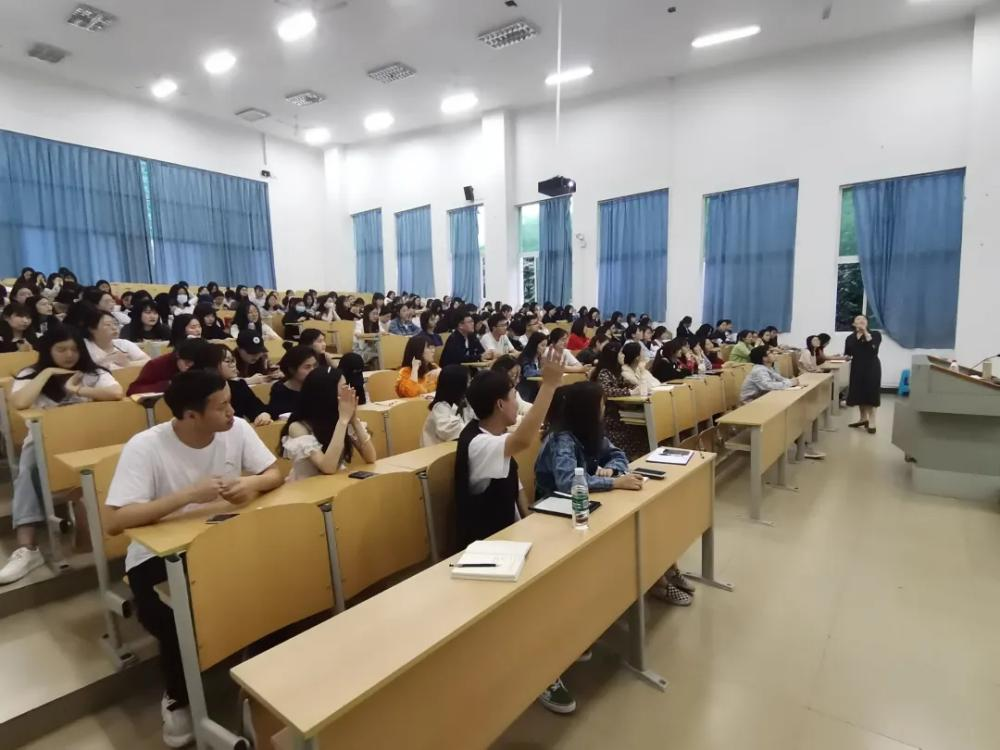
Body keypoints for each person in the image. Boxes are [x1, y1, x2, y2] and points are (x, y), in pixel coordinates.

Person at [104, 370, 282, 747]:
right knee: (175, 616)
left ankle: (260, 688)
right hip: (158, 555)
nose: (232, 412)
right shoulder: (146, 446)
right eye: (222, 406)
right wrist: (187, 496)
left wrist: (248, 484)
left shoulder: (236, 429)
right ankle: (178, 695)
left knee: (279, 582)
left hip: (222, 542)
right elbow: (115, 522)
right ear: (190, 416)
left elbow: (273, 473)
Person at [456, 349, 576, 715]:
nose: (517, 402)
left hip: (508, 537)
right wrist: (549, 385)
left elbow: (514, 486)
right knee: (537, 597)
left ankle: (565, 641)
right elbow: (523, 442)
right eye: (513, 396)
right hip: (486, 551)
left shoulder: (494, 434)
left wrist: (529, 521)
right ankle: (539, 672)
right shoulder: (478, 443)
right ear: (499, 404)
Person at [0, 327, 124, 585]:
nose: (69, 355)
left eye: (74, 349)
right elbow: (20, 403)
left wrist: (76, 389)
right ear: (48, 351)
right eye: (61, 349)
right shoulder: (29, 374)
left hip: (86, 442)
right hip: (44, 446)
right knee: (28, 467)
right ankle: (27, 548)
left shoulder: (93, 374)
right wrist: (46, 372)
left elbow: (116, 393)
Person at [281, 368, 377, 481]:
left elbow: (371, 457)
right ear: (327, 393)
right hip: (308, 485)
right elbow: (327, 467)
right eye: (344, 387)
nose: (349, 391)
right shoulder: (298, 427)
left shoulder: (340, 416)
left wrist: (354, 419)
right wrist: (343, 421)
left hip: (334, 481)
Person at [741, 346, 826, 458]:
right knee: (789, 415)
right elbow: (768, 385)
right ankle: (801, 447)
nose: (774, 354)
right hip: (751, 405)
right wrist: (790, 383)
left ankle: (802, 446)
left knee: (793, 413)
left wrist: (793, 381)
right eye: (770, 352)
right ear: (764, 358)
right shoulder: (759, 370)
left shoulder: (768, 368)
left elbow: (780, 379)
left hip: (765, 400)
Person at [189, 343, 272, 426]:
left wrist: (264, 414)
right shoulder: (198, 391)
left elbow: (257, 408)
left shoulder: (239, 386)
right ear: (211, 365)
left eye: (233, 360)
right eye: (228, 361)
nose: (233, 365)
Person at [591, 342, 649, 459]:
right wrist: (630, 392)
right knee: (637, 430)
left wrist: (636, 388)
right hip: (610, 416)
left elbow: (625, 385)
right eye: (620, 353)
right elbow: (607, 390)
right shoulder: (604, 372)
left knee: (643, 428)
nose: (623, 356)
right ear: (614, 355)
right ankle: (631, 459)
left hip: (620, 411)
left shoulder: (617, 371)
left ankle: (641, 457)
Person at [127, 338, 212, 396]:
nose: (189, 368)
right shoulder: (157, 364)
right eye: (187, 363)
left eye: (196, 365)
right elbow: (133, 391)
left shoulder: (208, 364)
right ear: (177, 355)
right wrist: (167, 385)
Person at [845, 315, 882, 434]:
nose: (861, 321)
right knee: (859, 392)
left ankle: (872, 421)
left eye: (864, 319)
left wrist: (865, 332)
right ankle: (863, 418)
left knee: (871, 393)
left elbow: (874, 349)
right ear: (853, 324)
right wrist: (845, 357)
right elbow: (848, 353)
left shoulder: (875, 334)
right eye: (858, 319)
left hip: (871, 366)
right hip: (857, 367)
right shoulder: (850, 337)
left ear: (867, 323)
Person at [420, 365, 473, 446]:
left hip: (456, 445)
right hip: (437, 449)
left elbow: (473, 419)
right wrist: (472, 430)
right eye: (468, 382)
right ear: (458, 386)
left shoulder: (464, 402)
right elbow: (446, 431)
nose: (470, 384)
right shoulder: (440, 407)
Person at [84, 308, 150, 371]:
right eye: (108, 324)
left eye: (115, 323)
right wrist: (107, 360)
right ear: (91, 329)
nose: (114, 327)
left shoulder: (124, 344)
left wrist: (128, 364)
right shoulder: (85, 348)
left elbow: (148, 361)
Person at [269, 346, 320, 418]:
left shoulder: (320, 386)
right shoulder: (279, 390)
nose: (313, 370)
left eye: (315, 366)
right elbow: (275, 416)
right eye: (307, 367)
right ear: (292, 369)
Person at [516, 332, 549, 403]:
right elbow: (527, 373)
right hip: (526, 390)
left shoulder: (539, 357)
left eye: (546, 345)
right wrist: (542, 371)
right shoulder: (526, 357)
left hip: (535, 386)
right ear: (534, 345)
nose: (545, 348)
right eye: (542, 345)